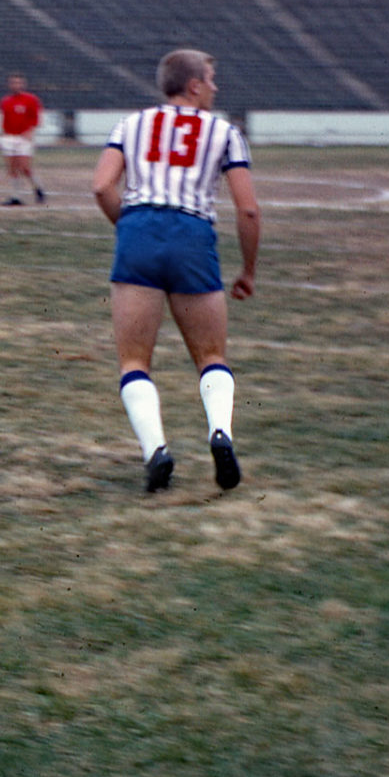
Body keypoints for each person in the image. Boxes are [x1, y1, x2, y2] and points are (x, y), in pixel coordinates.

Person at [90, 48, 261, 493]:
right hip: (192, 235)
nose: (216, 86)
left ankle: (156, 451)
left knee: (133, 361)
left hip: (140, 229)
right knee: (211, 356)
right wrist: (248, 270)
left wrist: (128, 228)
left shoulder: (130, 124)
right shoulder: (224, 132)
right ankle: (220, 433)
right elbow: (248, 211)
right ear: (194, 85)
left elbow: (101, 186)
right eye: (212, 77)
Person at [0, 72, 45, 205]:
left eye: (18, 82)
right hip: (9, 137)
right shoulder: (5, 101)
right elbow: (4, 120)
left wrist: (30, 131)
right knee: (12, 168)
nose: (16, 85)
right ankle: (16, 197)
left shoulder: (30, 99)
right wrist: (2, 135)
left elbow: (36, 119)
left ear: (23, 84)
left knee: (25, 168)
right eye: (13, 83)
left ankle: (38, 188)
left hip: (23, 138)